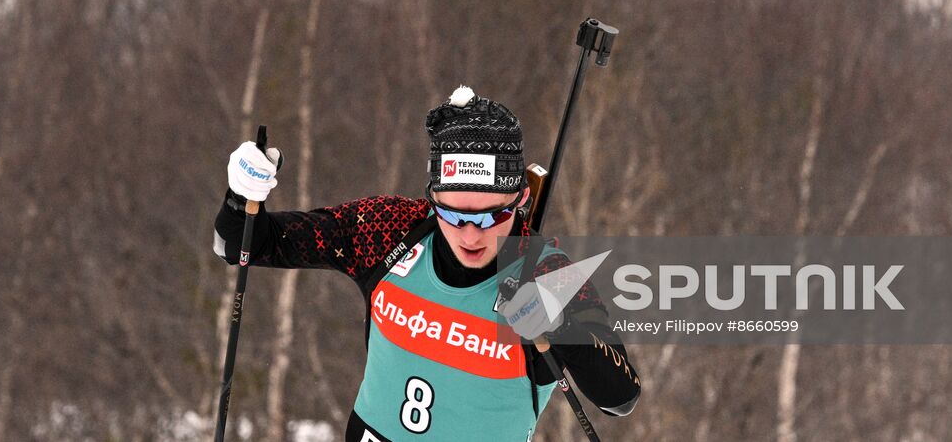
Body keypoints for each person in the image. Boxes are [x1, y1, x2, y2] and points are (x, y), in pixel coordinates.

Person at [215, 85, 642, 442]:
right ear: (431, 197)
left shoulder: (547, 275)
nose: (470, 235)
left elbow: (620, 396)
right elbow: (240, 245)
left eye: (492, 216)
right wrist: (241, 197)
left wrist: (563, 324)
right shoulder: (390, 230)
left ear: (522, 200)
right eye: (453, 215)